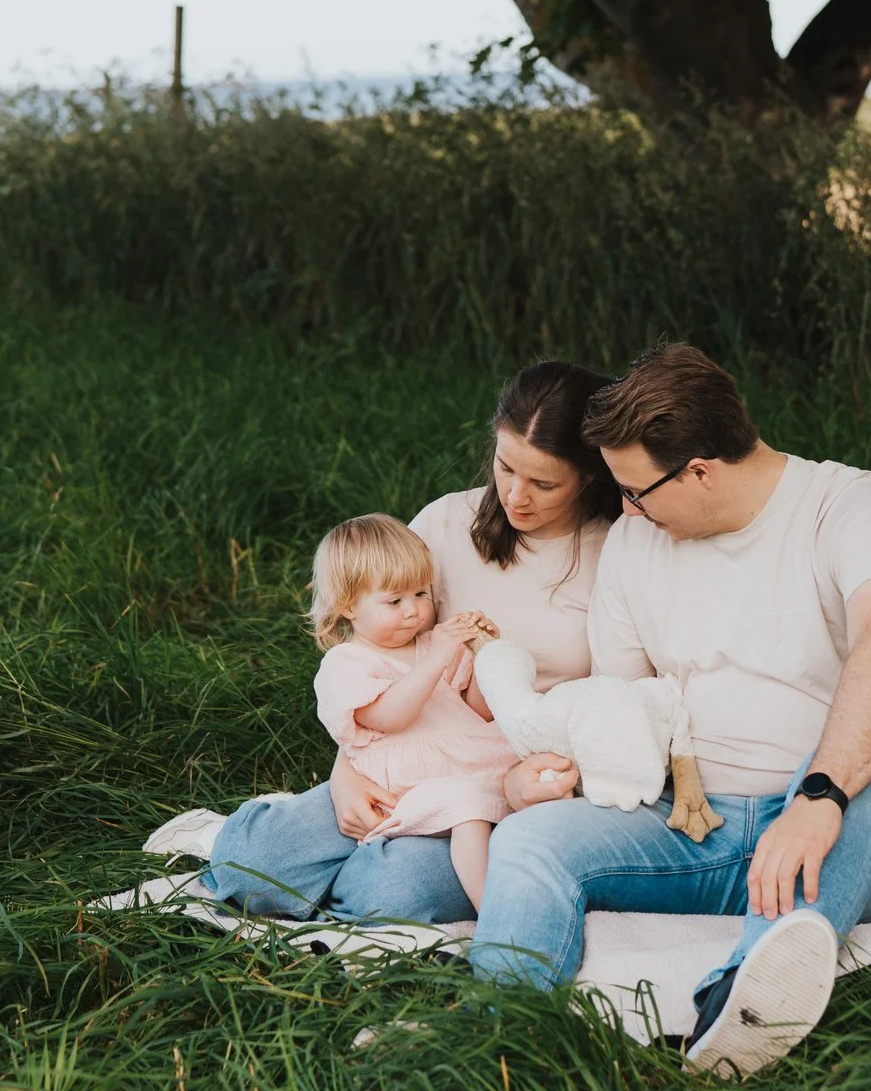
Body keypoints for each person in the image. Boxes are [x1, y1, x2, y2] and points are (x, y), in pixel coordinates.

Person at [470, 343, 871, 1080]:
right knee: (530, 841)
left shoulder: (849, 506)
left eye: (636, 490)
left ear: (700, 471)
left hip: (847, 827)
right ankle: (497, 1036)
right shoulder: (634, 545)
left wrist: (817, 798)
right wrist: (547, 776)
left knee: (865, 783)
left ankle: (741, 1005)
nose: (624, 508)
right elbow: (625, 707)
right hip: (698, 828)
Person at [197, 360, 622, 920]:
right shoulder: (446, 523)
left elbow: (616, 698)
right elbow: (380, 655)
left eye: (544, 483)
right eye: (505, 468)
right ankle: (329, 863)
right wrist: (346, 774)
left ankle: (357, 881)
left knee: (391, 895)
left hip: (511, 780)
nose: (516, 496)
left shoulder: (612, 554)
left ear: (589, 476)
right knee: (252, 862)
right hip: (404, 756)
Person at [303, 514, 514, 909]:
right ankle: (492, 908)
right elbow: (388, 717)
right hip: (412, 785)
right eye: (394, 601)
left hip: (472, 757)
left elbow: (478, 711)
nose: (414, 610)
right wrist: (436, 659)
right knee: (467, 803)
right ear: (349, 606)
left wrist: (486, 654)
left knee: (529, 780)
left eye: (421, 594)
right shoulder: (347, 662)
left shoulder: (432, 644)